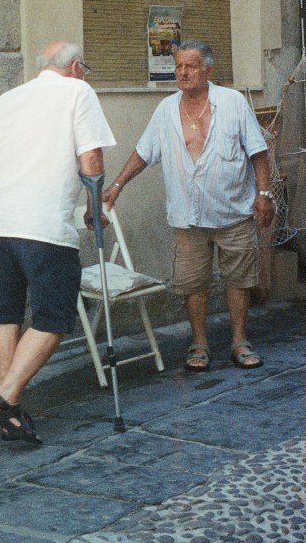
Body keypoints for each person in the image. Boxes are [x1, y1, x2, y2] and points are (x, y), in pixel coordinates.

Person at [0, 41, 115, 445]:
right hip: (43, 225)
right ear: (74, 67)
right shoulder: (78, 91)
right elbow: (92, 159)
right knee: (54, 316)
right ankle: (3, 398)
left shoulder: (8, 99)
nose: (85, 74)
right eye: (84, 67)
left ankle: (10, 414)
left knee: (5, 316)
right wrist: (94, 205)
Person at [102, 40, 275, 372]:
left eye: (190, 66)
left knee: (238, 278)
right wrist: (118, 184)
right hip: (187, 215)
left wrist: (264, 194)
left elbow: (258, 152)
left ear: (207, 69)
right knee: (192, 282)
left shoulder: (233, 103)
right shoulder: (166, 109)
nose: (182, 72)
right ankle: (200, 342)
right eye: (179, 66)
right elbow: (143, 152)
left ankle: (239, 340)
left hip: (233, 211)